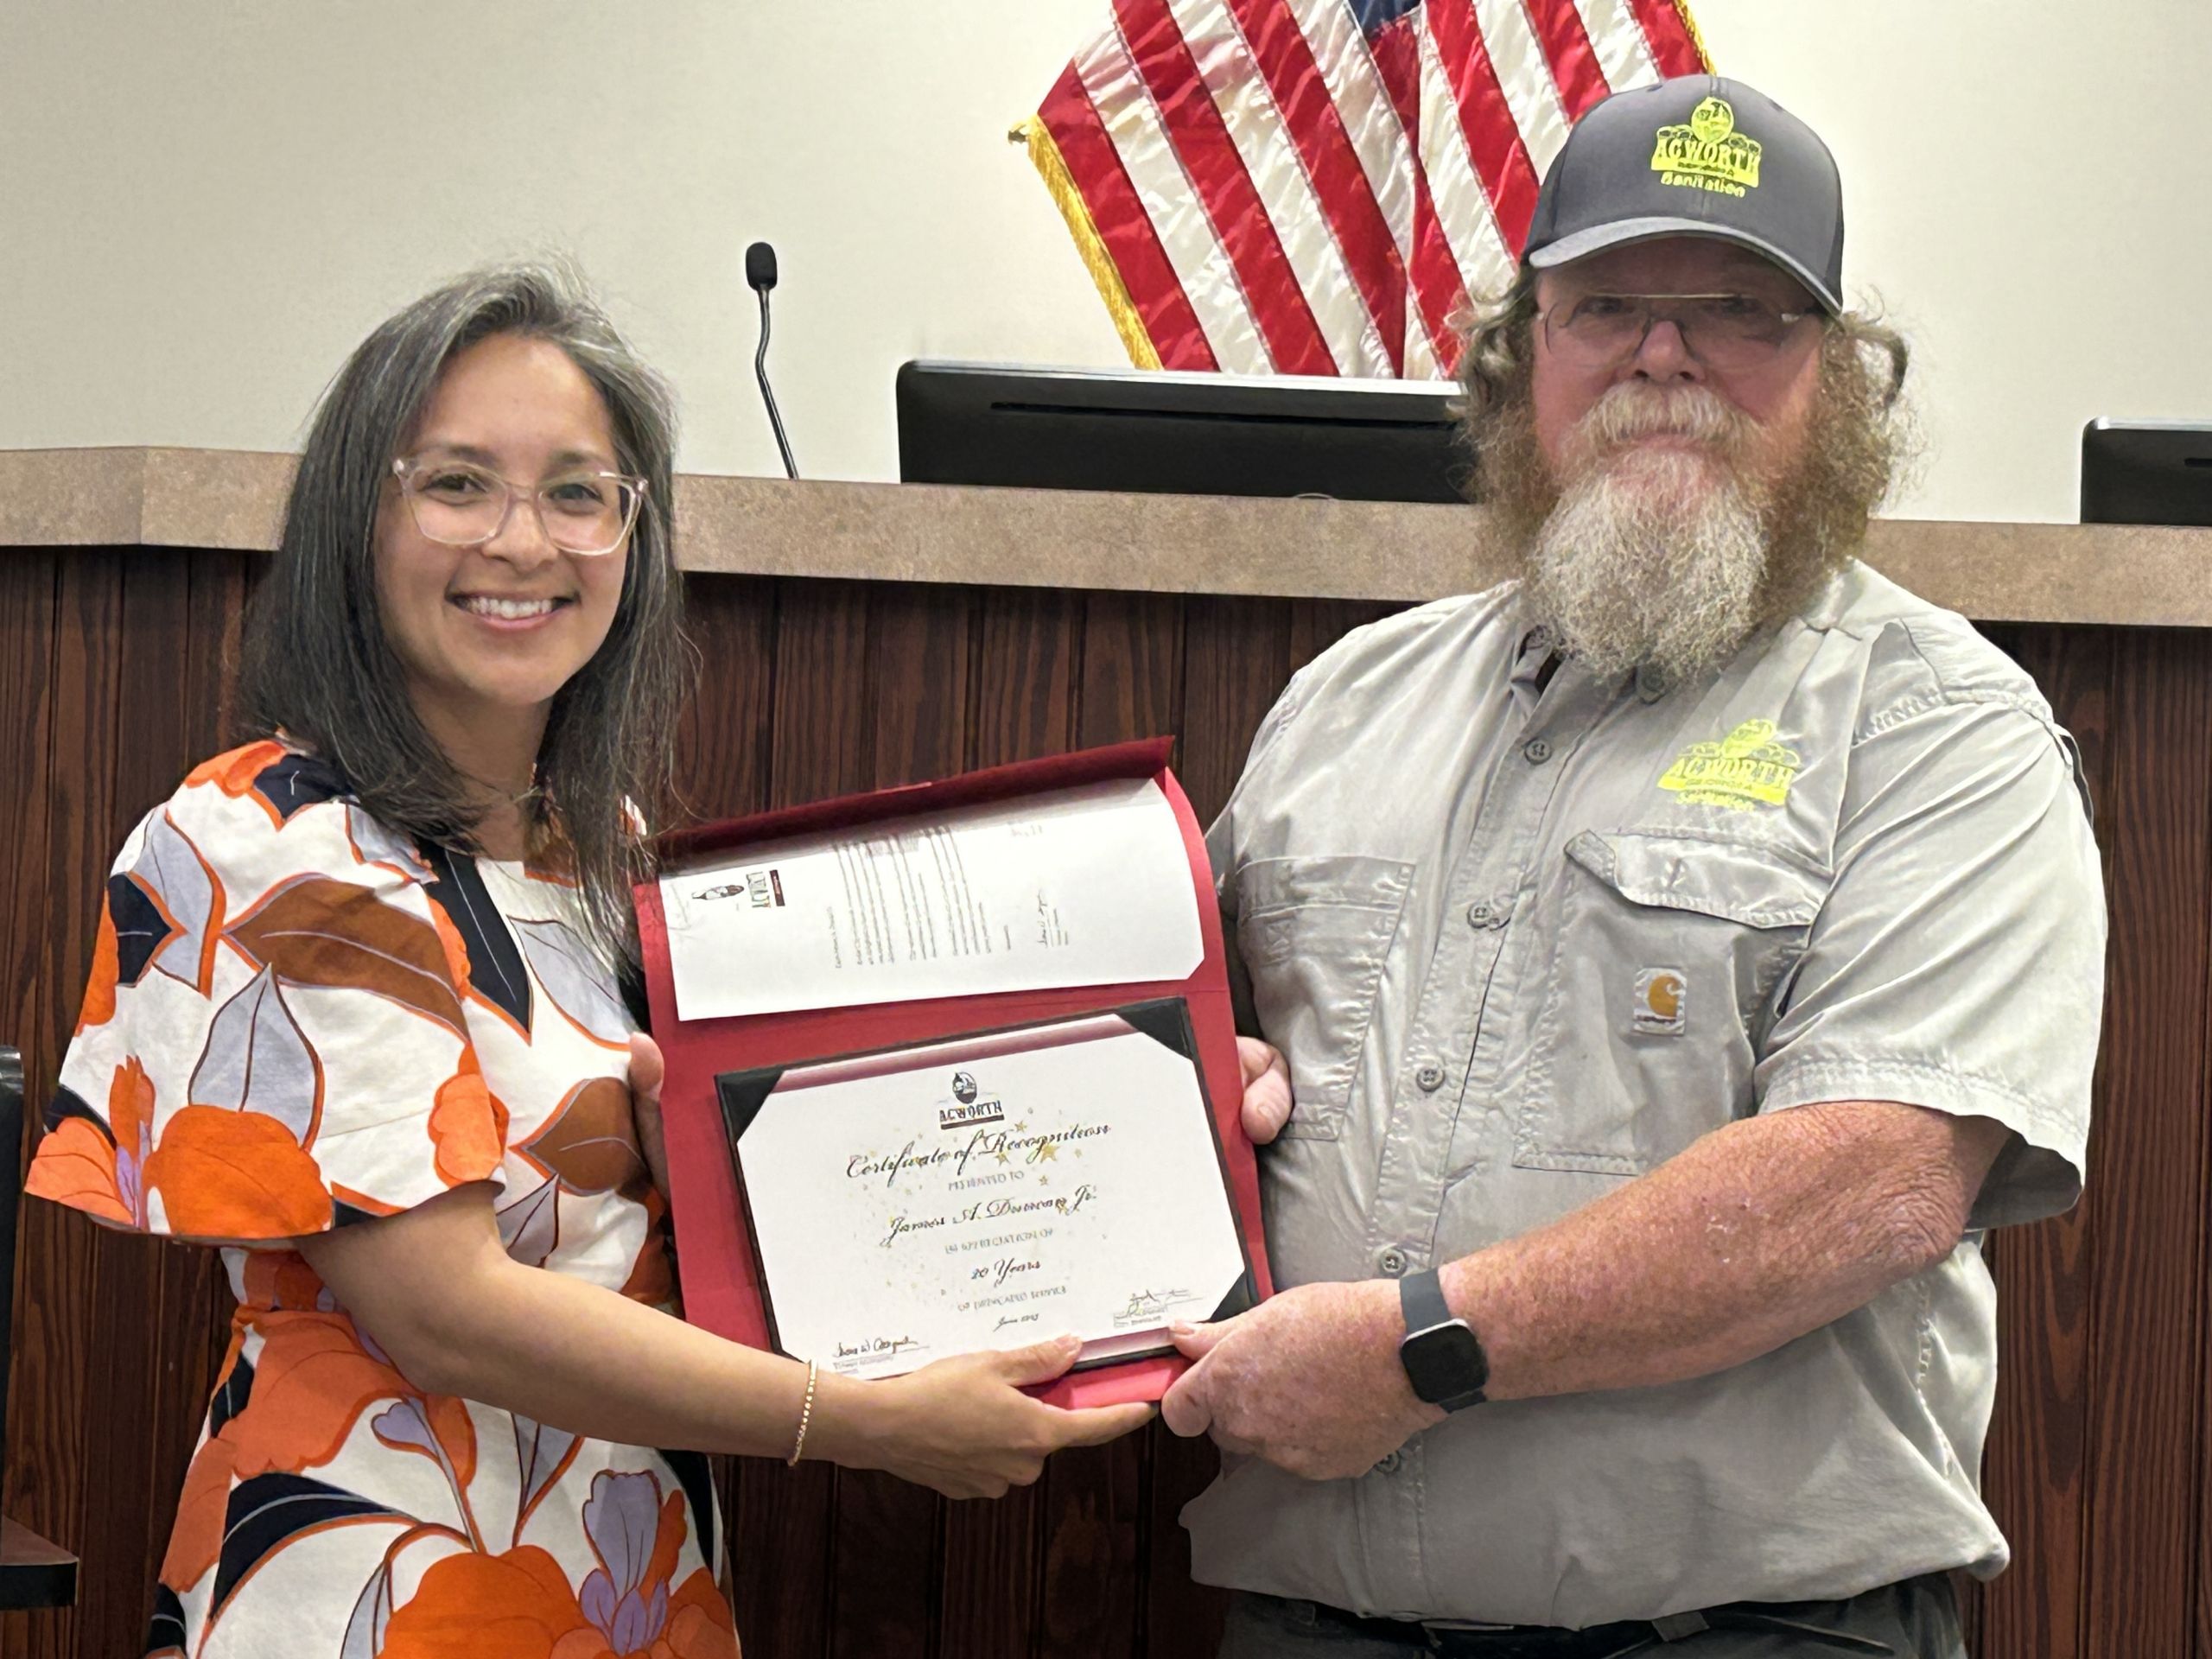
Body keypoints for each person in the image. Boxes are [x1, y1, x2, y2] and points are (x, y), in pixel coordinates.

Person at [24, 264, 1193, 1656]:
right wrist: (863, 1420)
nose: (524, 543)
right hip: (372, 1598)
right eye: (457, 483)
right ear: (358, 519)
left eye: (579, 493)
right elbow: (447, 1312)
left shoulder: (605, 857)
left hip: (626, 1582)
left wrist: (1114, 1130)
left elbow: (662, 1238)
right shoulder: (270, 838)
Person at [1162, 76, 2105, 1658]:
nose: (1664, 356)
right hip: (1315, 1621)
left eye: (1740, 313)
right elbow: (1192, 1053)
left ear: (1840, 385)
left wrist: (1415, 1354)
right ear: (1520, 359)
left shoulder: (1942, 725)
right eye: (1607, 306)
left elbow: (1868, 1184)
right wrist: (1209, 1086)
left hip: (1756, 1635)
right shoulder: (1339, 705)